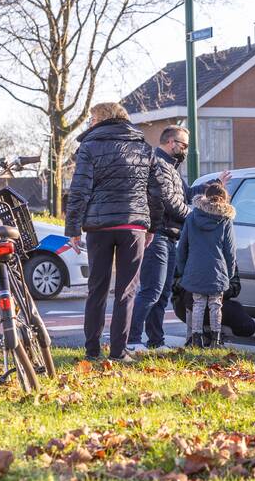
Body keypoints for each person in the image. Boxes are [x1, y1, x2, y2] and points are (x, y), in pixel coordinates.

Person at [64, 102, 181, 362]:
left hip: (99, 226)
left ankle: (92, 350)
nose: (89, 123)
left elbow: (80, 190)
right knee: (127, 290)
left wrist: (73, 228)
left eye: (92, 117)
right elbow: (155, 191)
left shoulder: (89, 147)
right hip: (133, 226)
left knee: (97, 288)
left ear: (103, 118)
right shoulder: (142, 147)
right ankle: (119, 351)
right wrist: (151, 225)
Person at [128, 125, 230, 351]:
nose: (185, 150)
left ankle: (156, 341)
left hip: (169, 237)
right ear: (171, 142)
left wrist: (213, 187)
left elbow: (185, 193)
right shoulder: (160, 165)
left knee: (162, 293)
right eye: (183, 145)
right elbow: (170, 203)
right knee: (151, 291)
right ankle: (133, 340)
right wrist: (194, 215)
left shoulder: (172, 168)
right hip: (158, 237)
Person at [176, 182, 236, 348]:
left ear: (205, 196)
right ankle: (216, 340)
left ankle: (196, 338)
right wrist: (229, 273)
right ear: (224, 199)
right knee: (216, 304)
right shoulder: (225, 220)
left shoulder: (192, 217)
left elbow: (183, 247)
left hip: (195, 268)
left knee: (198, 303)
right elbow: (230, 251)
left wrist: (182, 269)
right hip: (217, 270)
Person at [172, 264, 255, 340]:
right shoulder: (190, 251)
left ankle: (213, 334)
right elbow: (174, 282)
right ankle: (195, 336)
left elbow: (235, 287)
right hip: (188, 301)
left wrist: (218, 287)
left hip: (216, 299)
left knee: (247, 325)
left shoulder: (226, 254)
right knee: (192, 296)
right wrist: (195, 284)